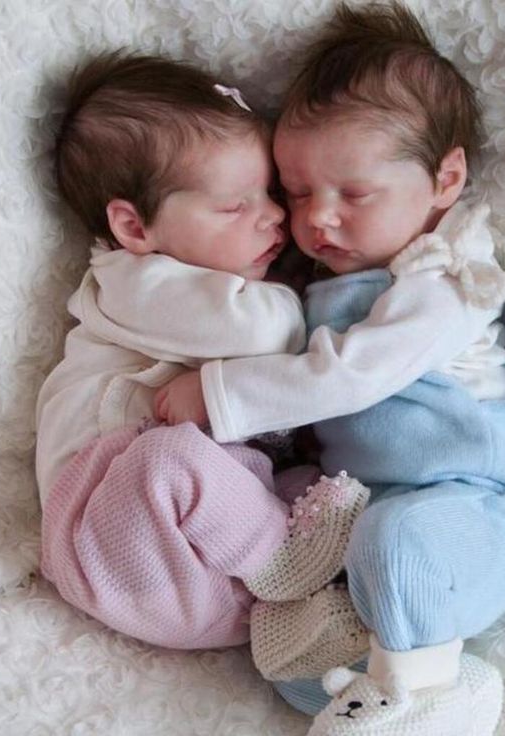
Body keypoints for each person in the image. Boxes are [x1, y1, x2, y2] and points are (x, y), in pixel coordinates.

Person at [155, 3, 505, 734]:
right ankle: (415, 683)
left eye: (354, 194)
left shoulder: (447, 282)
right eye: (299, 193)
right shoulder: (326, 284)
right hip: (370, 518)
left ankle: (422, 701)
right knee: (284, 639)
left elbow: (351, 376)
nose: (317, 219)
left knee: (396, 542)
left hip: (473, 509)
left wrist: (220, 395)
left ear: (445, 177)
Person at [35, 51, 370, 652]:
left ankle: (301, 613)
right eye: (235, 206)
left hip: (202, 563)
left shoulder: (187, 279)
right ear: (135, 229)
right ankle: (287, 562)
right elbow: (268, 333)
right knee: (167, 461)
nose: (272, 216)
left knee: (309, 475)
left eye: (269, 193)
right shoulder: (136, 281)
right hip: (109, 542)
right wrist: (298, 287)